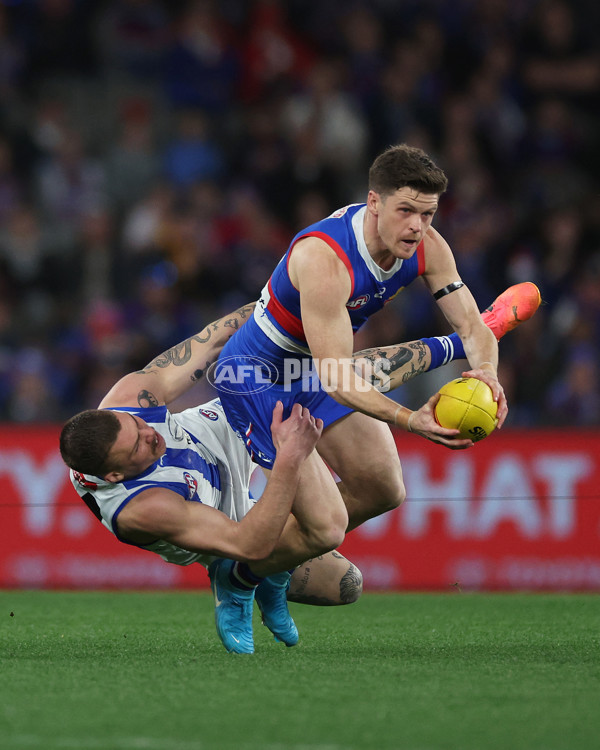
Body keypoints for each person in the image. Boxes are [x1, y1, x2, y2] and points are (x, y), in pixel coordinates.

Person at [59, 280, 539, 653]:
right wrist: (289, 456)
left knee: (383, 488)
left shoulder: (128, 401)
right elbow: (250, 541)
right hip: (231, 526)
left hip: (226, 417)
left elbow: (209, 342)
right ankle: (237, 577)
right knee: (344, 582)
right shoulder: (142, 509)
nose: (151, 432)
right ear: (116, 475)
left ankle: (474, 334)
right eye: (141, 446)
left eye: (137, 425)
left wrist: (276, 311)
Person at [212, 143, 541, 646]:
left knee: (384, 489)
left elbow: (474, 325)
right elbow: (340, 378)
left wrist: (488, 374)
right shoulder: (325, 257)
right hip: (258, 378)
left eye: (427, 214)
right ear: (374, 202)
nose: (416, 226)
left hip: (316, 371)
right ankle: (236, 580)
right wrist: (412, 420)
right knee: (326, 530)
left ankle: (276, 568)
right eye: (405, 210)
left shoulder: (431, 246)